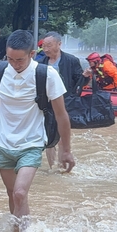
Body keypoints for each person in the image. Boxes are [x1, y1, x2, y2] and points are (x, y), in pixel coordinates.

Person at [0, 30, 75, 230]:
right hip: (3, 143)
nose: (14, 64)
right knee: (11, 193)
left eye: (20, 60)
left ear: (32, 54)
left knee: (20, 193)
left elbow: (61, 115)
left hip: (31, 143)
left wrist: (66, 150)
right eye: (10, 59)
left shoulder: (47, 74)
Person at [39, 32, 85, 168]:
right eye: (43, 46)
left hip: (64, 103)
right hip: (46, 104)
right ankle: (52, 167)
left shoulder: (71, 61)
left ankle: (61, 165)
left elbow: (79, 82)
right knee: (48, 138)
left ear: (59, 44)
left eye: (49, 45)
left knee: (61, 136)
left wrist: (86, 76)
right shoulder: (40, 63)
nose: (46, 49)